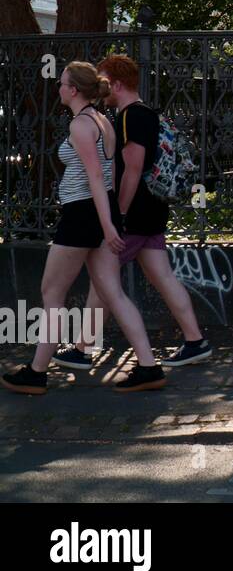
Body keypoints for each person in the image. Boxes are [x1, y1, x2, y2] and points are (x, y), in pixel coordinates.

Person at [1, 63, 166, 394]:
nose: (58, 88)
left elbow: (94, 177)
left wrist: (108, 226)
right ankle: (149, 366)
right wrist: (110, 222)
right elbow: (108, 177)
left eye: (62, 83)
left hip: (81, 217)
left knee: (52, 294)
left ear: (74, 90)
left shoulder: (81, 125)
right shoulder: (102, 121)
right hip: (97, 214)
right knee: (113, 293)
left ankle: (36, 373)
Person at [52, 54, 211, 370]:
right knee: (162, 277)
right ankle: (195, 341)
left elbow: (132, 169)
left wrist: (118, 215)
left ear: (118, 84)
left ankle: (82, 349)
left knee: (103, 280)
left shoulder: (129, 117)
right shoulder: (149, 114)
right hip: (153, 211)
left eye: (104, 82)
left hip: (134, 215)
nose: (100, 88)